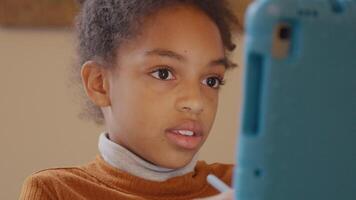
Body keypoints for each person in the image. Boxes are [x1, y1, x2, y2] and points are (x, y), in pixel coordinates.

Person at [19, 0, 240, 199]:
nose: (196, 102)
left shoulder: (246, 186)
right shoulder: (54, 191)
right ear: (99, 83)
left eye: (211, 80)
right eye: (163, 73)